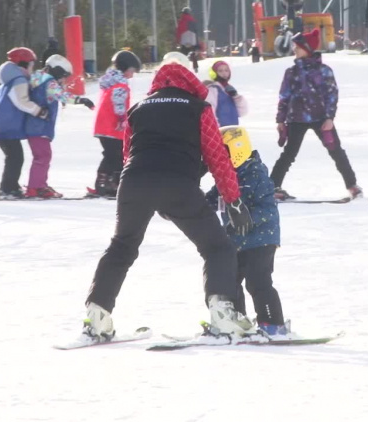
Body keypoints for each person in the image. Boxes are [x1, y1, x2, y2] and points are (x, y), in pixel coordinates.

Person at [81, 63, 255, 341]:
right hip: (178, 183)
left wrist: (152, 197)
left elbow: (128, 153)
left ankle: (98, 317)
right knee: (217, 248)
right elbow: (217, 157)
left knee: (121, 247)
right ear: (189, 83)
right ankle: (223, 315)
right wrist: (233, 200)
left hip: (134, 183)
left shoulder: (139, 108)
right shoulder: (198, 107)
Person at [205, 126, 288, 337]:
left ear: (237, 148)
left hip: (261, 239)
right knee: (230, 282)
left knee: (258, 282)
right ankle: (238, 321)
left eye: (224, 152)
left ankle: (273, 324)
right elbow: (210, 200)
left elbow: (268, 209)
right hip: (236, 240)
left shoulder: (255, 173)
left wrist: (248, 219)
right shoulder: (226, 176)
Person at [271, 29, 362, 201]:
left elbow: (332, 95)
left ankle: (352, 185)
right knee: (289, 153)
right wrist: (280, 120)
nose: (294, 49)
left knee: (336, 151)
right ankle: (273, 186)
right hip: (296, 118)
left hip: (321, 118)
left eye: (297, 46)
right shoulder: (291, 72)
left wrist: (329, 118)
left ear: (308, 49)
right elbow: (284, 97)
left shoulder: (324, 71)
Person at [24, 54, 94, 199]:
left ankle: (39, 184)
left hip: (34, 125)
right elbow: (62, 95)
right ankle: (35, 187)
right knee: (43, 156)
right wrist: (81, 100)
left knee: (42, 156)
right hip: (40, 126)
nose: (63, 80)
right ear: (55, 71)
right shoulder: (49, 82)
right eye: (63, 76)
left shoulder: (37, 78)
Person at [0, 47, 48, 199]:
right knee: (15, 157)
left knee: (13, 156)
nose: (32, 68)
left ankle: (10, 185)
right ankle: (8, 187)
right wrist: (39, 111)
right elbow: (21, 101)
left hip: (4, 124)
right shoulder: (19, 80)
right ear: (24, 64)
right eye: (31, 65)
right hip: (8, 125)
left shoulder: (10, 79)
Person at [90, 50, 140, 198]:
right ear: (125, 68)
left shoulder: (110, 82)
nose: (132, 74)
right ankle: (111, 184)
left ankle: (104, 183)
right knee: (116, 155)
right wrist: (121, 119)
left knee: (110, 155)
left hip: (103, 125)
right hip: (112, 126)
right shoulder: (120, 84)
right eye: (131, 70)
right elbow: (119, 103)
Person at [205, 61, 248, 127]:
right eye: (220, 71)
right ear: (214, 73)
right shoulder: (213, 89)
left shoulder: (230, 89)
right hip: (219, 130)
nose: (224, 73)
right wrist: (215, 128)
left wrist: (237, 97)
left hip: (233, 129)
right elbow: (210, 110)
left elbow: (242, 112)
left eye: (226, 70)